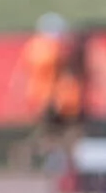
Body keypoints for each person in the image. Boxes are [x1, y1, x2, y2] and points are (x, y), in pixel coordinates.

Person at [14, 13, 86, 181]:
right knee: (54, 134)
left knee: (58, 133)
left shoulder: (38, 46)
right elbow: (56, 67)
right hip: (51, 99)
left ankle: (51, 159)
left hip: (54, 98)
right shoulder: (46, 48)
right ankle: (34, 156)